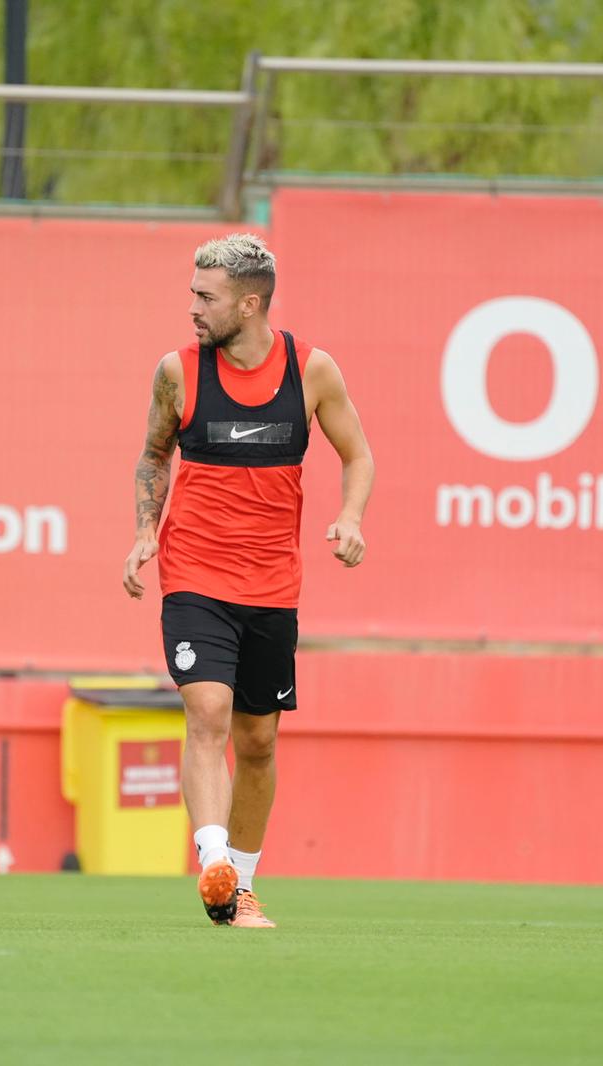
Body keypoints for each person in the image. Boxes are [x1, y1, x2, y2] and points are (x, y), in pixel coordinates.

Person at [122, 234, 374, 929]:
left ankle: (244, 882)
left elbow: (358, 455)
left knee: (257, 742)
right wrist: (145, 530)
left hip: (271, 587)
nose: (193, 309)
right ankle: (215, 868)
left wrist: (351, 517)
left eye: (207, 298)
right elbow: (153, 455)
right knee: (206, 712)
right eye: (193, 294)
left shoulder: (311, 370)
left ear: (249, 304)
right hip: (193, 576)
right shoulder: (177, 372)